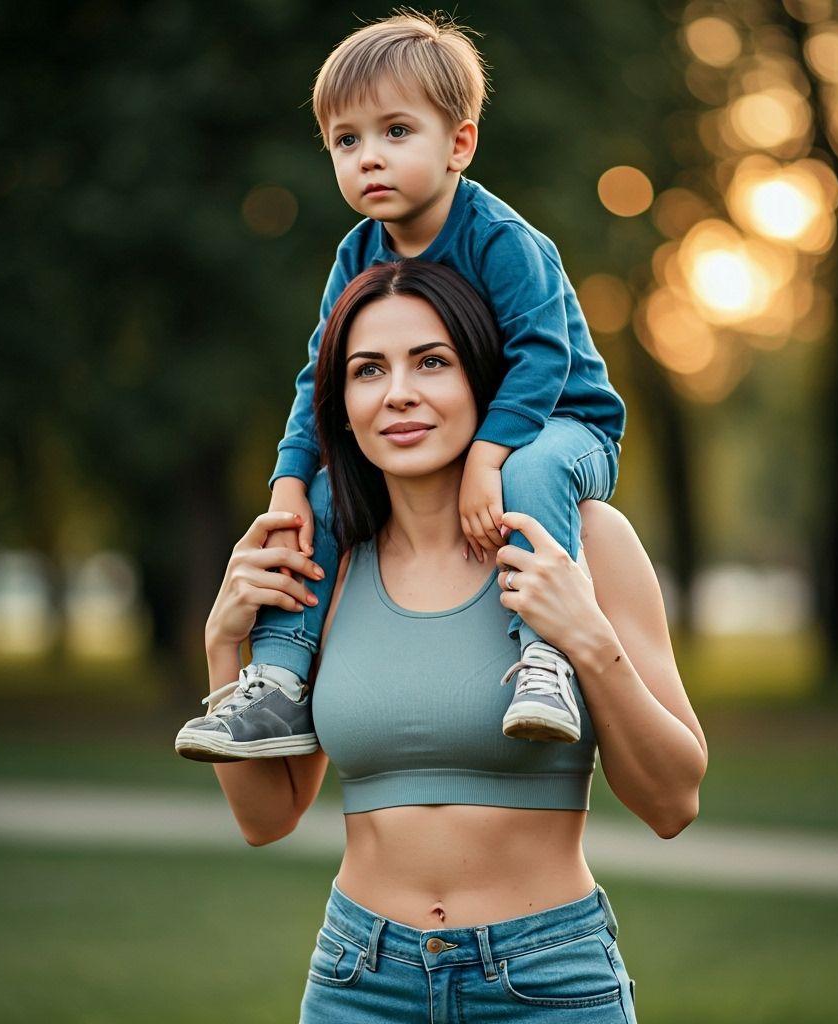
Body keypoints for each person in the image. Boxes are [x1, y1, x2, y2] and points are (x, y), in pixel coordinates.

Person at [197, 260, 707, 1022]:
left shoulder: (586, 543)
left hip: (547, 980)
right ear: (342, 406)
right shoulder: (323, 563)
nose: (398, 391)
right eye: (369, 370)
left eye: (432, 362)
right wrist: (223, 648)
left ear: (489, 385)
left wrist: (587, 639)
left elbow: (672, 802)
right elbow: (266, 818)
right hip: (357, 979)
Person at [175, 10, 625, 762]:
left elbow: (543, 360)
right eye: (346, 141)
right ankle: (281, 680)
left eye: (395, 132)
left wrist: (487, 458)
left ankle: (545, 660)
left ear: (459, 144)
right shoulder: (357, 255)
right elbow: (316, 377)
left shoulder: (502, 240)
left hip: (563, 423)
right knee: (319, 498)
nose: (368, 158)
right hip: (484, 434)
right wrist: (289, 478)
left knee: (533, 466)